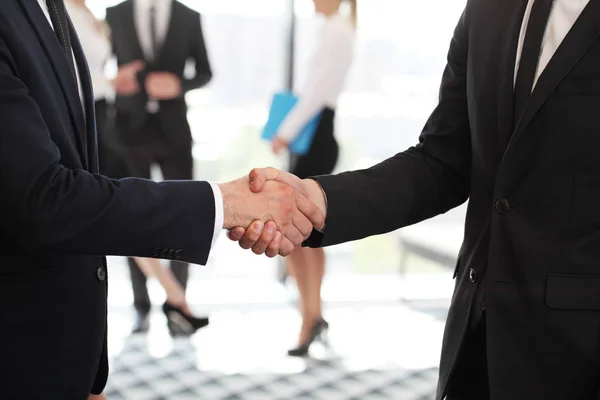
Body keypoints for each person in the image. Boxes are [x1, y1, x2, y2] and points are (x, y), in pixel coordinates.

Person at [230, 0, 600, 399]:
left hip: (579, 353)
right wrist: (319, 199)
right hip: (474, 342)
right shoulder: (490, 8)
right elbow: (442, 162)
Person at [0, 1, 323, 398]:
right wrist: (226, 203)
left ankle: (176, 302)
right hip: (21, 347)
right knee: (120, 213)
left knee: (124, 215)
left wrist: (84, 366)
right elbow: (43, 199)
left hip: (165, 134)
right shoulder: (94, 14)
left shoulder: (58, 9)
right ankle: (158, 304)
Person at [66, 0, 209, 336]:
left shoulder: (86, 11)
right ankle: (151, 305)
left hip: (167, 130)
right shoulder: (103, 13)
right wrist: (114, 82)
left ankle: (178, 300)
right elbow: (74, 74)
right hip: (117, 128)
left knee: (165, 215)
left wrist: (177, 84)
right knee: (129, 215)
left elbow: (204, 71)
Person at [271, 0, 356, 357]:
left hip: (313, 136)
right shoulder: (334, 27)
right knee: (305, 235)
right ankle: (311, 315)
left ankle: (311, 316)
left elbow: (316, 93)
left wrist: (284, 131)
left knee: (300, 232)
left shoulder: (337, 28)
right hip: (314, 135)